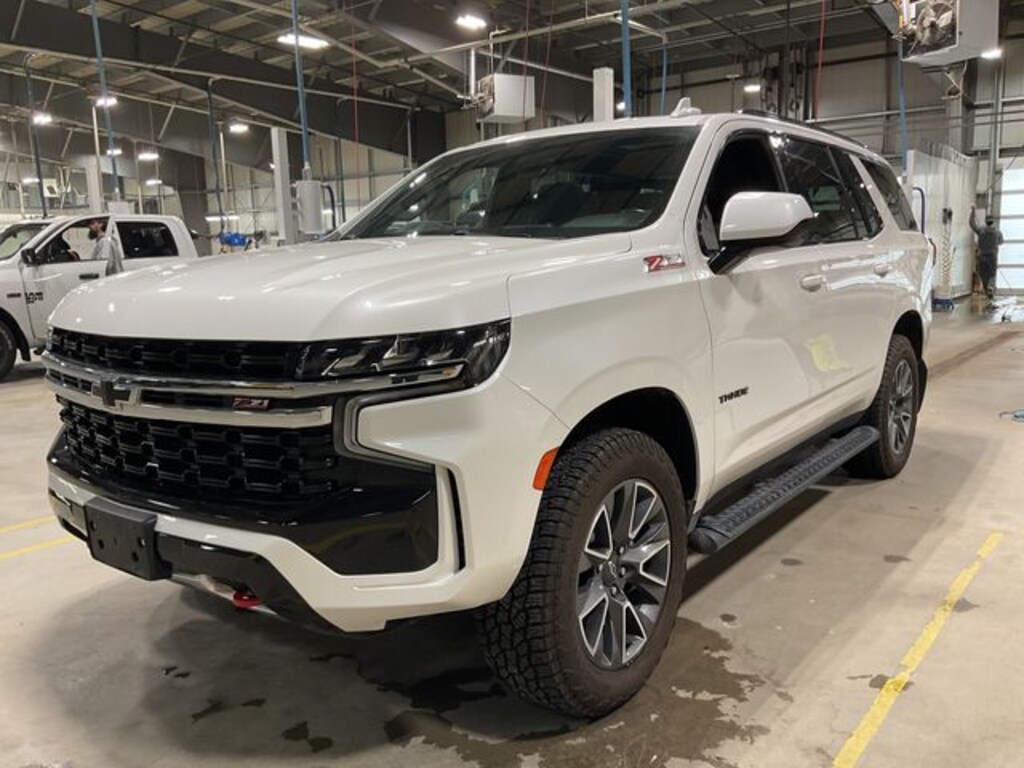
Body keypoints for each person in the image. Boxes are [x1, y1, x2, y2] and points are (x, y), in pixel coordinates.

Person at [970, 206, 1004, 299]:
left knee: (983, 275)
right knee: (992, 274)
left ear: (986, 221)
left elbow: (972, 224)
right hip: (992, 257)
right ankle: (990, 288)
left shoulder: (981, 231)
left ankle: (987, 291)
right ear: (993, 221)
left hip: (982, 257)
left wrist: (972, 212)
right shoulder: (998, 232)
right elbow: (1001, 242)